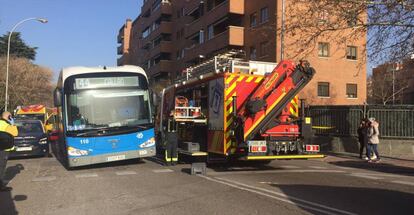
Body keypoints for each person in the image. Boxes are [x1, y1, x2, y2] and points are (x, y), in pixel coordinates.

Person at [0, 111, 18, 192]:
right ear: (9, 116)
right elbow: (15, 133)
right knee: (1, 168)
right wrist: (13, 124)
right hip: (4, 149)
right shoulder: (6, 125)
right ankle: (1, 186)